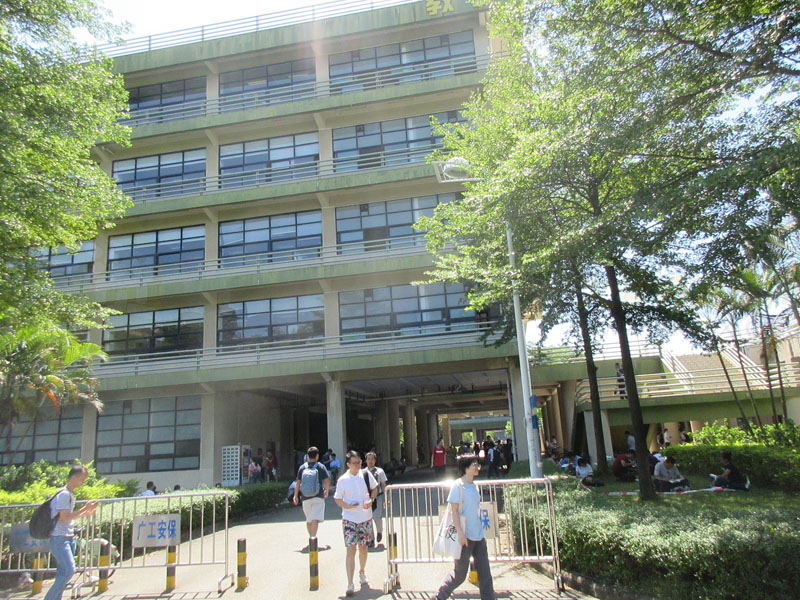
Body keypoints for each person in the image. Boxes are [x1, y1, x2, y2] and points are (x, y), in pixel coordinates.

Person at [432, 454, 495, 600]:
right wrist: (460, 533)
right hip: (465, 537)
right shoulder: (458, 486)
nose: (477, 467)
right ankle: (439, 596)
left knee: (485, 573)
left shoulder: (475, 486)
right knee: (459, 575)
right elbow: (454, 511)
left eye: (477, 464)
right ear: (466, 468)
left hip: (478, 536)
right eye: (474, 464)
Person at [44, 465, 98, 600]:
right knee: (69, 570)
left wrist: (85, 512)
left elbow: (67, 517)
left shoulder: (68, 494)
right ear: (74, 478)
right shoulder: (64, 495)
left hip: (66, 537)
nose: (83, 482)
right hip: (59, 538)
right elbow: (65, 517)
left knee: (63, 572)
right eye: (82, 479)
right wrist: (84, 508)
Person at [333, 451, 377, 597]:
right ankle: (350, 583)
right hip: (349, 519)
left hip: (365, 517)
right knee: (350, 549)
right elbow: (337, 498)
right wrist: (346, 506)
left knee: (363, 548)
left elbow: (375, 488)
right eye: (355, 463)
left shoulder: (366, 474)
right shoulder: (343, 480)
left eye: (359, 462)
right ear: (348, 464)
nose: (358, 465)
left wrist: (371, 500)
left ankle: (362, 571)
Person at [293, 446, 331, 545]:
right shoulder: (320, 466)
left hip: (305, 497)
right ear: (317, 456)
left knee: (309, 519)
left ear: (307, 456)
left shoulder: (302, 467)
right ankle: (313, 539)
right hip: (318, 496)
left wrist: (295, 495)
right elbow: (326, 481)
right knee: (315, 519)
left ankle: (311, 538)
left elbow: (298, 482)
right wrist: (327, 491)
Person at [364, 451, 388, 544]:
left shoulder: (379, 471)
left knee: (377, 517)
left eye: (372, 459)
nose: (370, 461)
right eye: (368, 459)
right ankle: (371, 539)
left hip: (378, 497)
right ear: (366, 460)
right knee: (368, 518)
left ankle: (379, 531)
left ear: (375, 460)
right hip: (367, 498)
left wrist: (387, 497)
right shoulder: (363, 472)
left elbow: (383, 484)